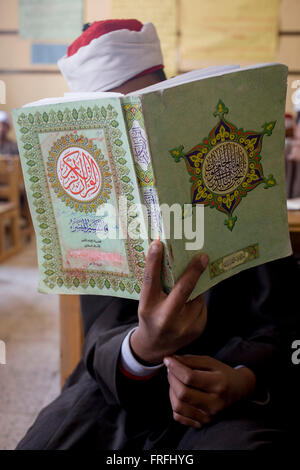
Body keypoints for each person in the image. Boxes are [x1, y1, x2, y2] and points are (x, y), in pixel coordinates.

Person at [16, 19, 299, 451]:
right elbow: (101, 334)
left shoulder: (239, 174)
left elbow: (278, 321)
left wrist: (243, 379)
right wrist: (142, 347)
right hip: (120, 392)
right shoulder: (94, 210)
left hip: (228, 383)